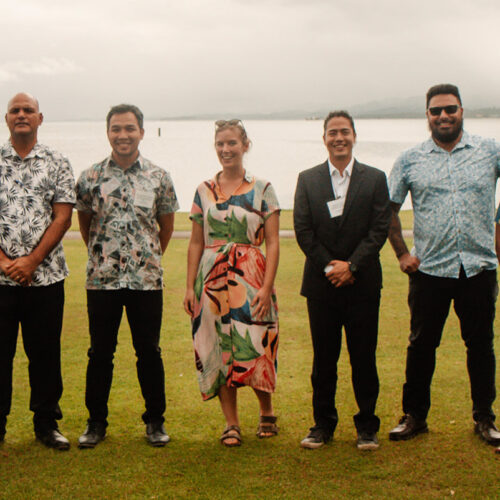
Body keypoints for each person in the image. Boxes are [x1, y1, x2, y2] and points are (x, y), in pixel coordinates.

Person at [387, 83, 500, 447]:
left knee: (480, 345)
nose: (444, 116)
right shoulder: (410, 160)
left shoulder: (489, 151)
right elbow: (387, 210)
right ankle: (414, 416)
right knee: (421, 345)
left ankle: (485, 418)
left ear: (461, 111)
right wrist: (402, 254)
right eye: (436, 111)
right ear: (427, 116)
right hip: (430, 270)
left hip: (478, 268)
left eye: (450, 109)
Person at [75, 104, 179, 448]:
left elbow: (164, 228)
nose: (123, 135)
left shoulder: (159, 177)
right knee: (99, 353)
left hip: (145, 281)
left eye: (130, 128)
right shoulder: (90, 177)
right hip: (102, 280)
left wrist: (146, 258)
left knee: (149, 351)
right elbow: (86, 225)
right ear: (108, 133)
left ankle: (155, 422)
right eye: (116, 129)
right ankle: (96, 423)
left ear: (141, 133)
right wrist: (105, 256)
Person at [294, 111, 391, 450]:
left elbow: (379, 229)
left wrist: (352, 266)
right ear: (324, 138)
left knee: (363, 357)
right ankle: (322, 425)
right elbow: (303, 230)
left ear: (354, 136)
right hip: (321, 286)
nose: (339, 138)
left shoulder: (375, 178)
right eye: (333, 132)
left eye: (345, 132)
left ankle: (367, 426)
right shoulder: (308, 179)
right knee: (324, 359)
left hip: (362, 284)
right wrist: (330, 267)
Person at [184, 119, 280, 447]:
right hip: (211, 280)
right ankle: (231, 423)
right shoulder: (203, 190)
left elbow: (273, 242)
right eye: (220, 144)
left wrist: (266, 287)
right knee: (217, 347)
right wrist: (189, 287)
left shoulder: (263, 188)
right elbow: (195, 242)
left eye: (232, 143)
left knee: (256, 342)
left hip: (251, 277)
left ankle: (267, 412)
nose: (226, 149)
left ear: (245, 145)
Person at [0, 93, 75, 450]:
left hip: (46, 278)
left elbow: (63, 216)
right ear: (6, 119)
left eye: (28, 110)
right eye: (15, 110)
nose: (21, 115)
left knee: (45, 354)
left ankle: (46, 423)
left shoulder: (57, 162)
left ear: (40, 118)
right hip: (0, 280)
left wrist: (32, 261)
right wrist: (5, 263)